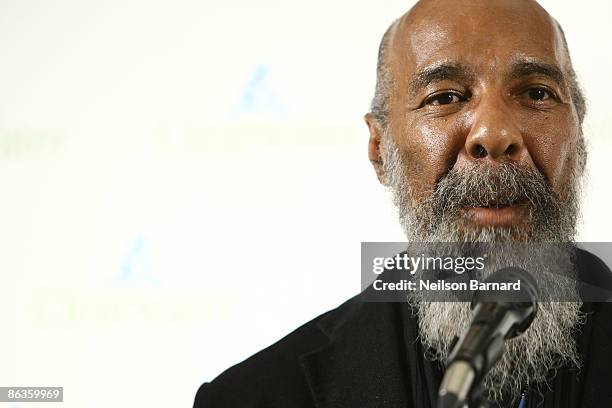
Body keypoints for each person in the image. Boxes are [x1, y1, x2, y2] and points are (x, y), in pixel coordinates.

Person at [193, 0, 612, 406]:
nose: (493, 132)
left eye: (537, 93)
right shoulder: (258, 397)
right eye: (445, 97)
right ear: (380, 150)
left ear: (580, 140)